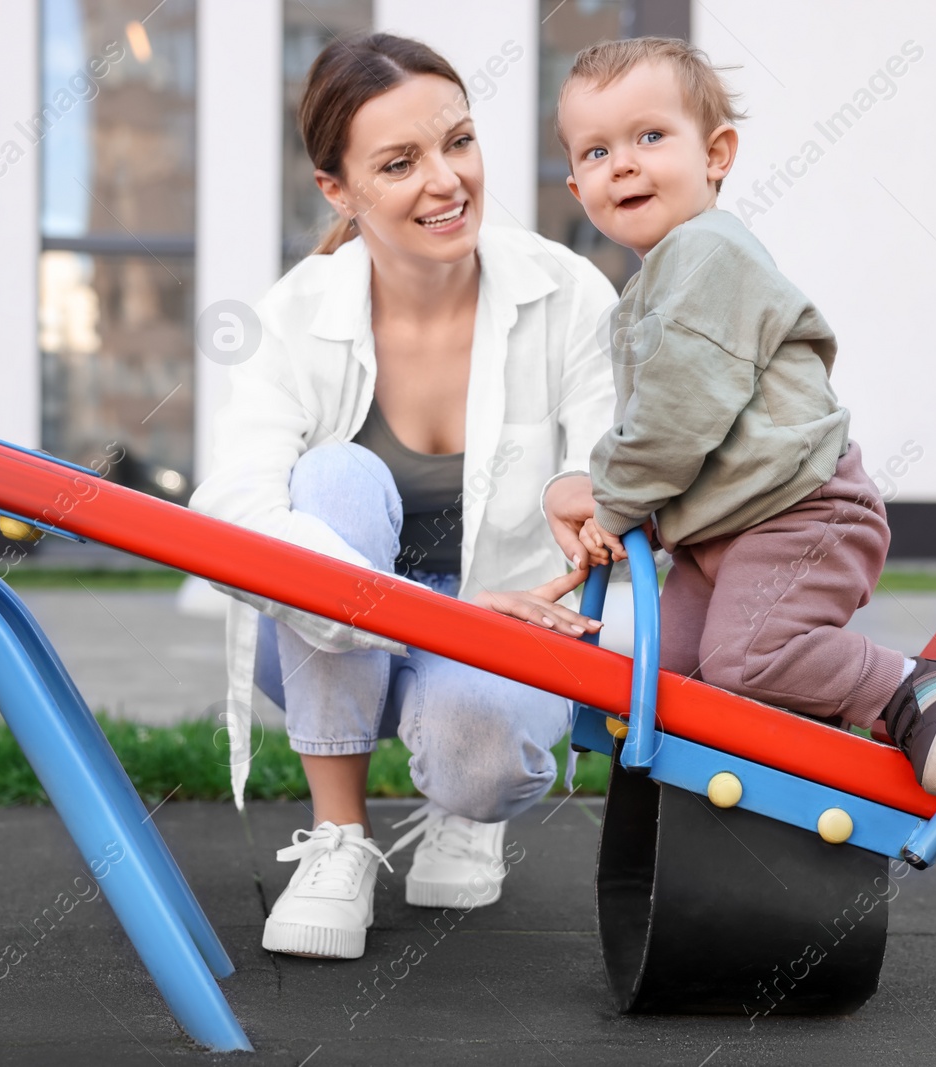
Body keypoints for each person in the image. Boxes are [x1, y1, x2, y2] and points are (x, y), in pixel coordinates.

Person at [189, 33, 618, 960]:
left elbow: (614, 463)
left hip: (511, 644)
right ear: (336, 190)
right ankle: (341, 834)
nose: (447, 181)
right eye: (400, 162)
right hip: (328, 651)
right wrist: (439, 612)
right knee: (333, 477)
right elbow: (231, 509)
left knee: (479, 746)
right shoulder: (297, 315)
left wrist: (585, 490)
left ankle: (466, 811)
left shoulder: (569, 293)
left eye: (457, 142)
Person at [545, 37, 936, 797]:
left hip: (801, 513)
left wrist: (613, 501)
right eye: (596, 150)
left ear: (717, 154)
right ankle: (726, 815)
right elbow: (674, 433)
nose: (623, 163)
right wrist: (615, 500)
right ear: (578, 190)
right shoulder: (653, 287)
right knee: (669, 675)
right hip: (724, 534)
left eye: (650, 136)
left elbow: (677, 420)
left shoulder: (709, 256)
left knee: (747, 658)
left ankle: (912, 689)